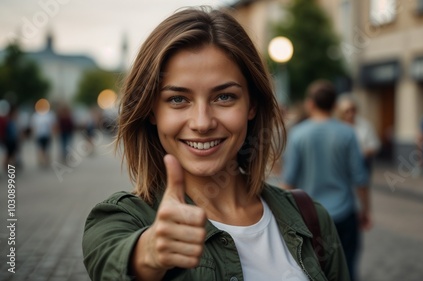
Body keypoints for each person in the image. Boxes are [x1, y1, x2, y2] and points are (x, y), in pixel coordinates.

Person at [82, 7, 349, 281]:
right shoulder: (118, 219)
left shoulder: (311, 218)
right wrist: (149, 253)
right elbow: (110, 260)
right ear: (152, 111)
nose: (202, 122)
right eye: (177, 99)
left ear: (252, 104)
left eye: (224, 97)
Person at [282, 80, 371, 281]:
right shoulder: (348, 133)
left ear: (310, 104)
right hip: (344, 213)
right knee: (346, 269)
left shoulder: (298, 134)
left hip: (309, 218)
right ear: (334, 105)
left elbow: (288, 181)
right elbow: (361, 179)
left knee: (312, 272)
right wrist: (365, 211)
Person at [336, 94, 380, 176]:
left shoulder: (365, 125)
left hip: (362, 165)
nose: (350, 114)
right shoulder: (336, 126)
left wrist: (359, 153)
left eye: (353, 110)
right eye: (347, 111)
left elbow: (374, 145)